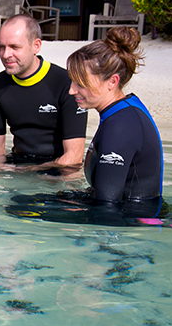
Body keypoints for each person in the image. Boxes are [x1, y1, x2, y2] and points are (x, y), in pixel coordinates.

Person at [67, 26, 162, 203]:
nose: (71, 90)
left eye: (80, 83)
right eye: (72, 80)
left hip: (131, 220)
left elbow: (106, 209)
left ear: (112, 81)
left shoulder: (120, 127)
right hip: (128, 211)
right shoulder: (125, 110)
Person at [0, 14, 87, 166]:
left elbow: (74, 156)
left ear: (36, 46)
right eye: (2, 47)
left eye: (15, 47)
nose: (6, 55)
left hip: (59, 169)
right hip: (19, 166)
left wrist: (34, 176)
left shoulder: (67, 84)